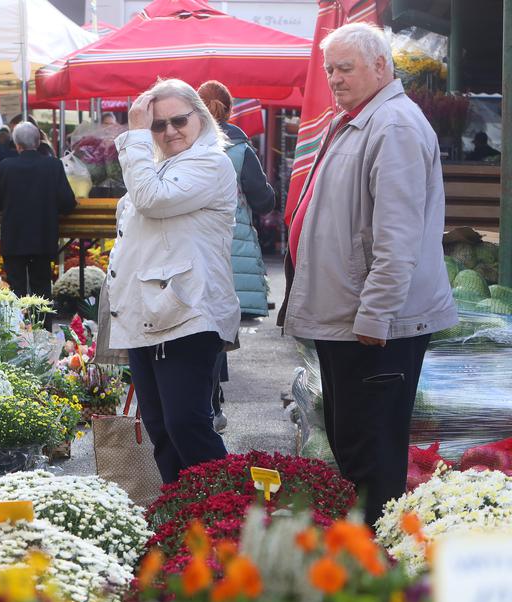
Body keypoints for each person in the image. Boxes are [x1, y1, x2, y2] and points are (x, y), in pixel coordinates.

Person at [279, 22, 457, 526]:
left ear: (381, 66)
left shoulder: (392, 125)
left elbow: (397, 238)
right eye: (329, 68)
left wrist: (375, 315)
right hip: (347, 317)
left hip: (371, 326)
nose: (334, 78)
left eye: (345, 68)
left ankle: (378, 566)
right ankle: (367, 557)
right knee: (356, 445)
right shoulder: (358, 118)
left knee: (371, 455)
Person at [106, 79, 239, 484]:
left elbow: (152, 199)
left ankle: (226, 518)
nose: (169, 131)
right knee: (162, 431)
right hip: (149, 318)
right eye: (157, 126)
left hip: (188, 313)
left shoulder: (212, 163)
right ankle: (183, 524)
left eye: (178, 120)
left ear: (201, 117)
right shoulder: (158, 163)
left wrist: (134, 137)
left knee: (188, 426)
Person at [197, 79, 277, 433]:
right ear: (230, 110)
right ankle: (210, 403)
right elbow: (264, 202)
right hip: (234, 251)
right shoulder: (241, 150)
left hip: (194, 248)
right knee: (218, 327)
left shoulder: (184, 147)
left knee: (203, 325)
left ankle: (211, 398)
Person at [0, 121, 76, 301]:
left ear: (17, 145)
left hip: (14, 239)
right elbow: (68, 202)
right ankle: (43, 329)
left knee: (16, 292)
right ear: (39, 142)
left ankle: (17, 328)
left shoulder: (5, 167)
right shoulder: (53, 166)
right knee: (42, 292)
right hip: (43, 238)